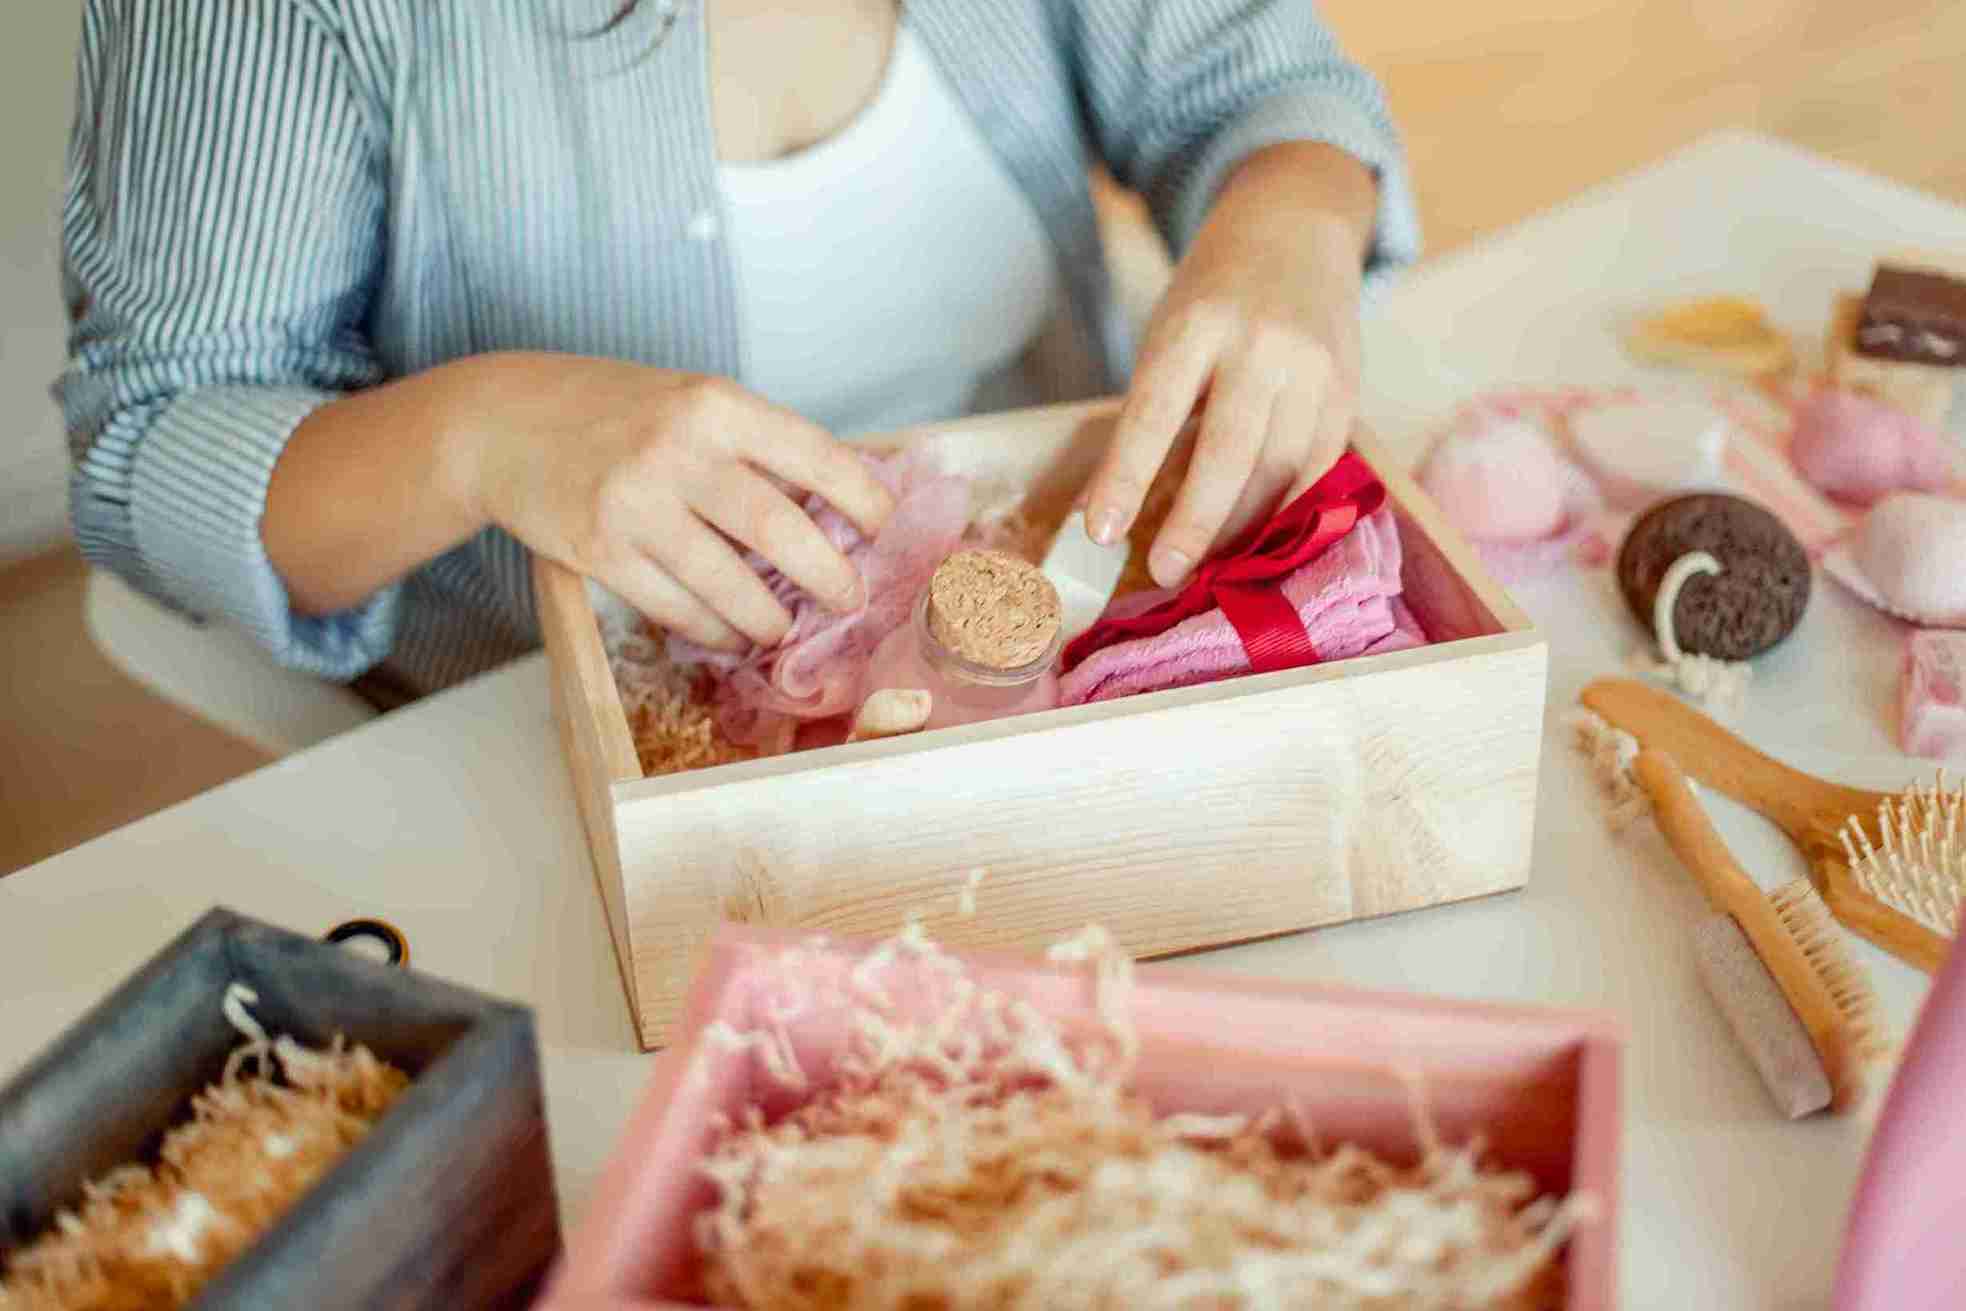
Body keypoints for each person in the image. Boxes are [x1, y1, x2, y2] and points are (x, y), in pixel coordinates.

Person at [57, 0, 1418, 707]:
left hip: (1083, 654)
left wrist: (1290, 212)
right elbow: (151, 446)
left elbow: (1259, 86)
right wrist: (481, 432)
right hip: (577, 750)